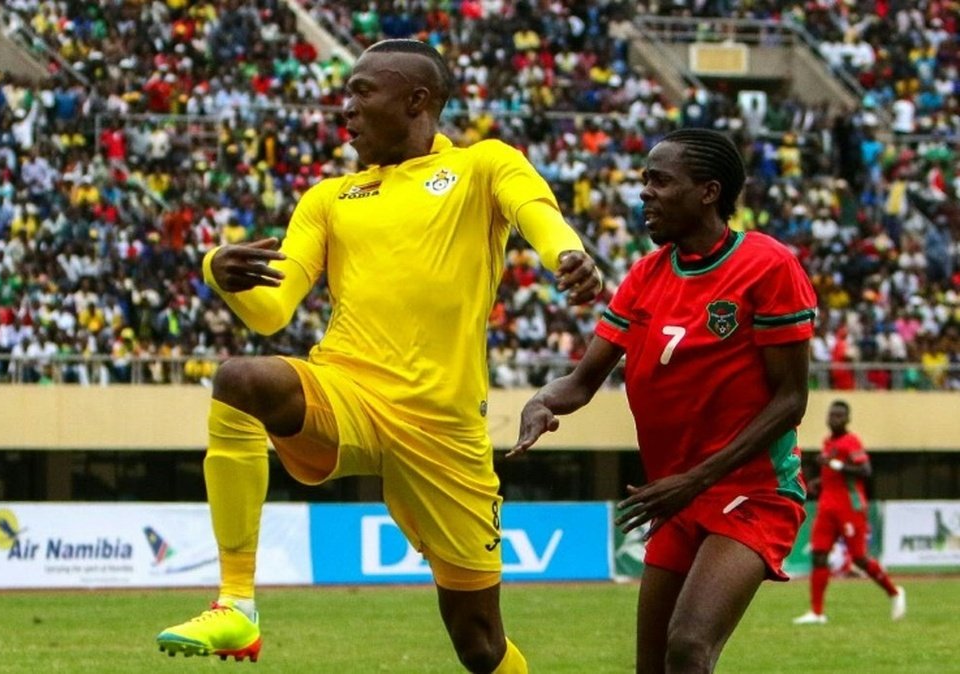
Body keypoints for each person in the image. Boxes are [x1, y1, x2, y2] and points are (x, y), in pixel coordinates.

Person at [155, 39, 602, 673]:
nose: (347, 109)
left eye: (363, 92)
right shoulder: (330, 198)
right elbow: (273, 311)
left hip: (442, 429)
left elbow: (536, 212)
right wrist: (220, 274)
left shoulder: (482, 166)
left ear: (417, 100)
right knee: (240, 380)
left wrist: (566, 253)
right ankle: (236, 605)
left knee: (479, 645)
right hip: (350, 392)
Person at [510, 128, 817, 673]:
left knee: (689, 645)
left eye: (659, 181)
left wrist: (696, 479)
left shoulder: (768, 266)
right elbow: (581, 383)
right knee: (652, 665)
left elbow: (791, 401)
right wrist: (542, 402)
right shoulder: (646, 275)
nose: (644, 193)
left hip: (752, 492)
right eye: (644, 180)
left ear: (708, 192)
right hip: (674, 497)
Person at [792, 400, 905, 625]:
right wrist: (819, 481)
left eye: (839, 416)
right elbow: (835, 475)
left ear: (847, 419)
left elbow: (865, 470)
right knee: (819, 555)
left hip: (849, 507)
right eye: (831, 415)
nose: (834, 419)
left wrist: (834, 465)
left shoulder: (851, 442)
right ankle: (817, 612)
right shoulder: (828, 442)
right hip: (827, 506)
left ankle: (894, 592)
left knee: (859, 558)